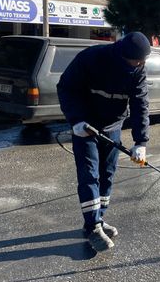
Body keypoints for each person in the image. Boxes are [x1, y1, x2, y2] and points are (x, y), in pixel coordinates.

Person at [57, 32, 151, 253]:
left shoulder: (137, 69)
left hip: (113, 127)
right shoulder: (92, 58)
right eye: (137, 60)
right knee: (90, 175)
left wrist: (141, 141)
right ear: (123, 54)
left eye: (142, 61)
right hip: (86, 128)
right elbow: (66, 88)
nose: (140, 64)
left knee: (107, 174)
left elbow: (140, 103)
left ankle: (98, 218)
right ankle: (92, 227)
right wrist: (76, 121)